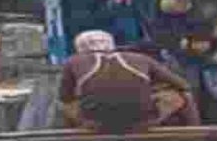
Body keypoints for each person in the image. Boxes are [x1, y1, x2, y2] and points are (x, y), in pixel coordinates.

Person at [58, 30, 201, 132]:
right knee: (183, 95)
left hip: (95, 124)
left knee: (64, 106)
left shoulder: (73, 61)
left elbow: (64, 97)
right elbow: (183, 84)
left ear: (79, 49)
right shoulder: (139, 58)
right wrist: (152, 90)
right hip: (142, 122)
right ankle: (195, 135)